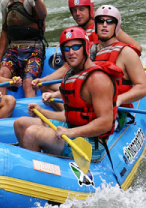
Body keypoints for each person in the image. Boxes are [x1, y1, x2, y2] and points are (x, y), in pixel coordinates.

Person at [14, 27, 123, 159]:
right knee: (20, 124)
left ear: (85, 47)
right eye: (66, 48)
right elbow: (73, 117)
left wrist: (72, 132)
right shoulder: (72, 75)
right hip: (73, 129)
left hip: (92, 143)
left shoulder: (98, 79)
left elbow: (106, 123)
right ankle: (41, 166)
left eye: (76, 47)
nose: (71, 52)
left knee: (32, 133)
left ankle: (38, 172)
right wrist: (43, 112)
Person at [32, 0, 142, 99]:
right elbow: (69, 66)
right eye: (74, 10)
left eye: (81, 9)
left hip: (106, 83)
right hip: (89, 81)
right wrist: (43, 80)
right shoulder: (78, 33)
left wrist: (119, 65)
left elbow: (137, 48)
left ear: (90, 10)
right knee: (47, 88)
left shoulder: (105, 27)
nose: (77, 14)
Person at [0, 0, 47, 98]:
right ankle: (2, 109)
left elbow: (43, 15)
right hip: (13, 50)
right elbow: (5, 31)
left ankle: (31, 116)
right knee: (1, 75)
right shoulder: (5, 2)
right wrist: (0, 58)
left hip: (34, 49)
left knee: (28, 82)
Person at [91, 5, 146, 109]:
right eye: (100, 21)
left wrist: (119, 99)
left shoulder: (127, 53)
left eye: (110, 21)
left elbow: (143, 87)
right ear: (95, 25)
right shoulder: (88, 52)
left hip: (117, 113)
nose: (104, 25)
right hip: (90, 110)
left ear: (116, 26)